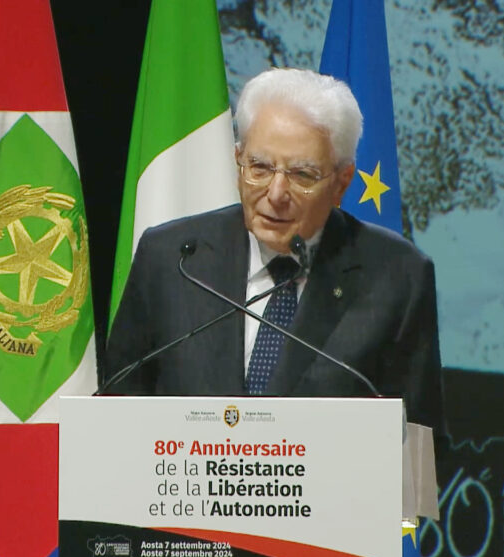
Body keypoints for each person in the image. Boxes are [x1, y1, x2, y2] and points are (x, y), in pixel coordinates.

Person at [104, 68, 444, 435]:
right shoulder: (173, 259)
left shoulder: (396, 278)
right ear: (238, 160)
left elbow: (419, 444)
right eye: (261, 168)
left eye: (302, 175)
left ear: (341, 182)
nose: (276, 193)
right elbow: (117, 412)